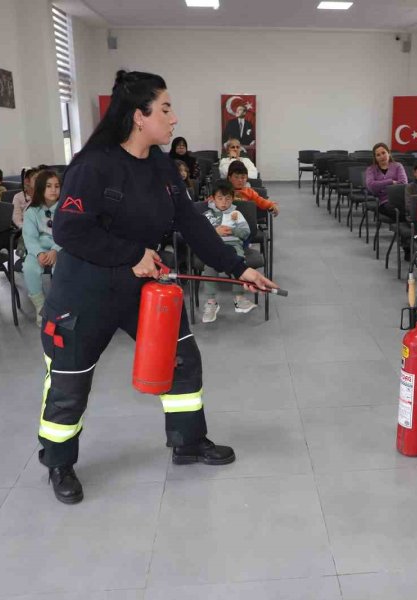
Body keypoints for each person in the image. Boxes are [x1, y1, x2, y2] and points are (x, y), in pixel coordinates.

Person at [36, 70, 276, 505]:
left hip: (143, 290)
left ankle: (187, 442)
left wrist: (237, 267)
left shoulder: (163, 167)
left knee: (181, 362)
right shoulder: (93, 166)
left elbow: (190, 222)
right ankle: (58, 460)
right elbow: (70, 232)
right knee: (70, 381)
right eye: (165, 108)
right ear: (137, 117)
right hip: (84, 293)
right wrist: (132, 254)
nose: (174, 118)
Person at [201, 181, 255, 322]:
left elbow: (246, 232)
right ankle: (211, 302)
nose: (224, 202)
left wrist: (233, 230)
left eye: (228, 199)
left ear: (232, 199)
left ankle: (239, 298)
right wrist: (214, 231)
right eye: (220, 198)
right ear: (212, 198)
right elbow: (199, 234)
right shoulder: (208, 215)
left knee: (238, 261)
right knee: (209, 264)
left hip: (233, 245)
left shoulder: (236, 213)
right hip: (214, 245)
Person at [22, 170, 62, 326]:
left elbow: (69, 233)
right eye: (48, 186)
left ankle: (59, 306)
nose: (53, 190)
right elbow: (29, 237)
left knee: (62, 267)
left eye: (57, 186)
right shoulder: (31, 211)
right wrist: (39, 253)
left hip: (61, 247)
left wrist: (55, 250)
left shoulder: (66, 208)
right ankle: (41, 307)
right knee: (29, 268)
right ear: (40, 189)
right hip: (38, 249)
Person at [365, 142, 408, 221]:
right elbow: (371, 186)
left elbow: (403, 183)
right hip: (383, 202)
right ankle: (408, 226)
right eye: (378, 155)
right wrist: (391, 182)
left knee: (410, 211)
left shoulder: (398, 166)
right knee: (399, 213)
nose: (382, 156)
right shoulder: (371, 169)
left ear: (388, 153)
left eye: (383, 153)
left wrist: (380, 187)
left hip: (400, 200)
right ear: (375, 158)